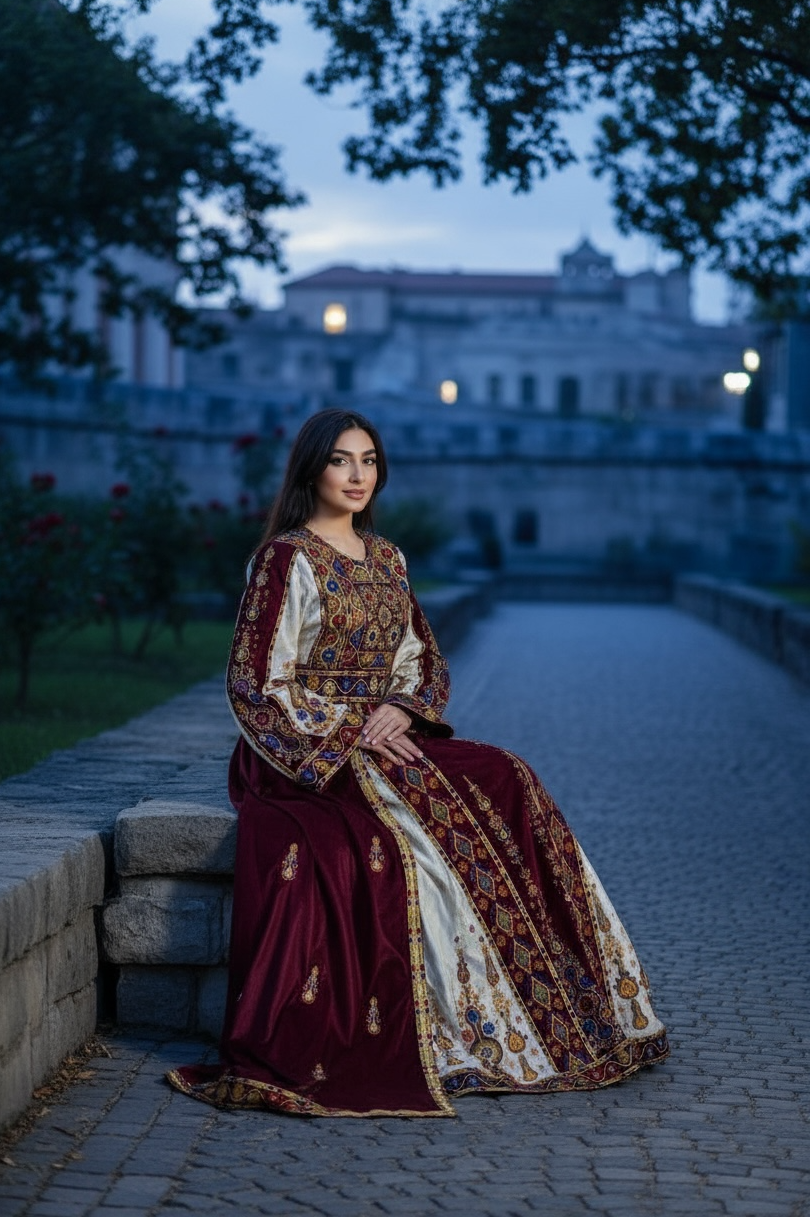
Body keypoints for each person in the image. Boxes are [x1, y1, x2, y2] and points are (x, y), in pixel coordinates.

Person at [167, 408, 668, 1117]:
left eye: (369, 461)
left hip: (390, 735)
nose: (357, 475)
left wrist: (402, 708)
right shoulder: (286, 559)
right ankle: (449, 1031)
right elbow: (256, 682)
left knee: (508, 775)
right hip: (305, 751)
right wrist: (348, 732)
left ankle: (567, 1011)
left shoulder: (388, 558)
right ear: (313, 467)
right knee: (385, 846)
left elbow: (423, 659)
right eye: (342, 460)